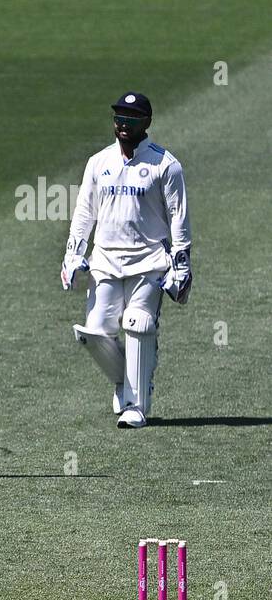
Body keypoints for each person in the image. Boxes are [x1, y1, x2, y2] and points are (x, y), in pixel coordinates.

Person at [62, 92, 190, 428]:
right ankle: (129, 378)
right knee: (93, 333)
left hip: (149, 262)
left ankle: (137, 405)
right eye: (118, 116)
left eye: (131, 117)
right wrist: (73, 254)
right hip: (105, 260)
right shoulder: (98, 162)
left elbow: (178, 217)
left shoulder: (165, 165)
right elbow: (84, 212)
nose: (123, 122)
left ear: (146, 122)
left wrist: (182, 265)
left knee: (138, 323)